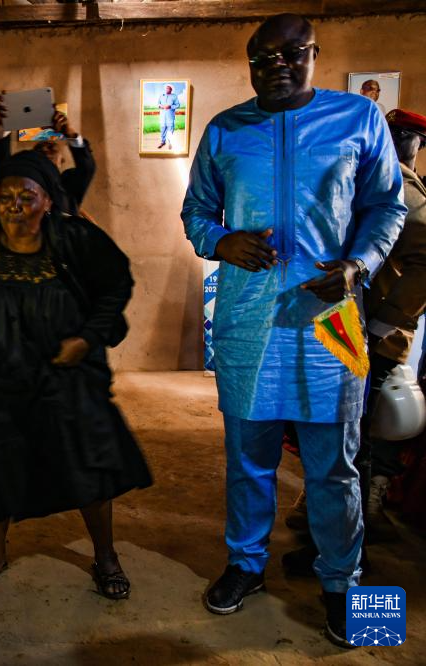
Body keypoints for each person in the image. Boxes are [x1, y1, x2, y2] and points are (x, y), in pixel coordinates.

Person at [181, 13, 406, 648]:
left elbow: (386, 205)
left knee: (334, 467)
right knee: (248, 460)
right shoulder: (226, 129)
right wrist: (221, 241)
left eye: (289, 53)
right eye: (261, 57)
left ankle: (342, 583)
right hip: (249, 323)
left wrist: (357, 265)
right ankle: (245, 564)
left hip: (330, 323)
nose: (275, 66)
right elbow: (196, 211)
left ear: (314, 53)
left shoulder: (357, 119)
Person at [0, 150, 152, 599]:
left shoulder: (76, 239)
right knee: (0, 465)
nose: (14, 205)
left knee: (87, 464)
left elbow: (116, 286)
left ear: (47, 200)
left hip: (69, 375)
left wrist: (87, 338)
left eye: (27, 196)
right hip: (6, 378)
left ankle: (106, 557)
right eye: (5, 196)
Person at [283, 107, 426, 566]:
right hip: (347, 328)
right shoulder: (370, 174)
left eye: (403, 135)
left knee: (355, 443)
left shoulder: (399, 184)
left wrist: (384, 322)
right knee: (340, 437)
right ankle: (331, 536)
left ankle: (342, 551)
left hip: (373, 334)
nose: (395, 141)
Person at [0, 92, 95, 216]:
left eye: (51, 148)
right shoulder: (20, 179)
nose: (45, 150)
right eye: (39, 150)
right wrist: (6, 125)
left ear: (62, 160)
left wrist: (70, 134)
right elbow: (3, 166)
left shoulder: (69, 184)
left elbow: (87, 168)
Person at [156, 84, 181, 149]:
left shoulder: (174, 96)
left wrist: (170, 106)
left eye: (168, 88)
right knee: (162, 129)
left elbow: (178, 105)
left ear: (171, 90)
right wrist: (160, 106)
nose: (167, 89)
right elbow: (158, 104)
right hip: (162, 116)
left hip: (170, 116)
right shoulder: (162, 96)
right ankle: (162, 142)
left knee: (170, 130)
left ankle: (170, 143)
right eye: (166, 88)